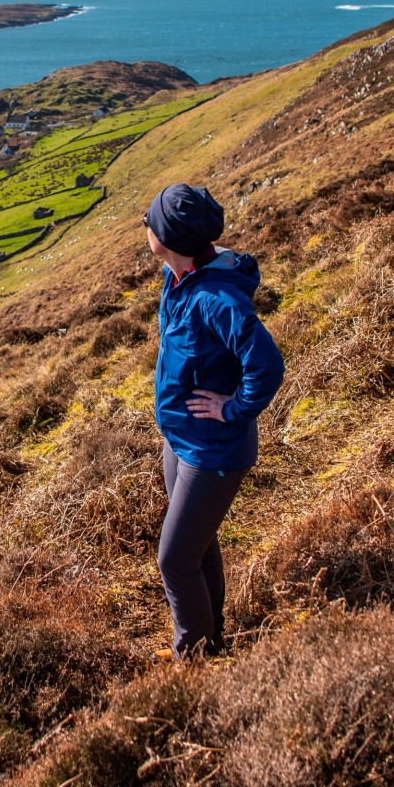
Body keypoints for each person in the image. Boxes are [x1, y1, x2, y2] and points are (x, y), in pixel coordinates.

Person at [143, 182, 285, 658]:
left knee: (174, 560)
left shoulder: (215, 297)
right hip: (182, 439)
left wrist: (233, 408)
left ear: (171, 239)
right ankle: (211, 634)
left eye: (152, 222)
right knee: (197, 549)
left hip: (214, 450)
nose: (144, 225)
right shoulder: (180, 274)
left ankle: (197, 657)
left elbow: (266, 365)